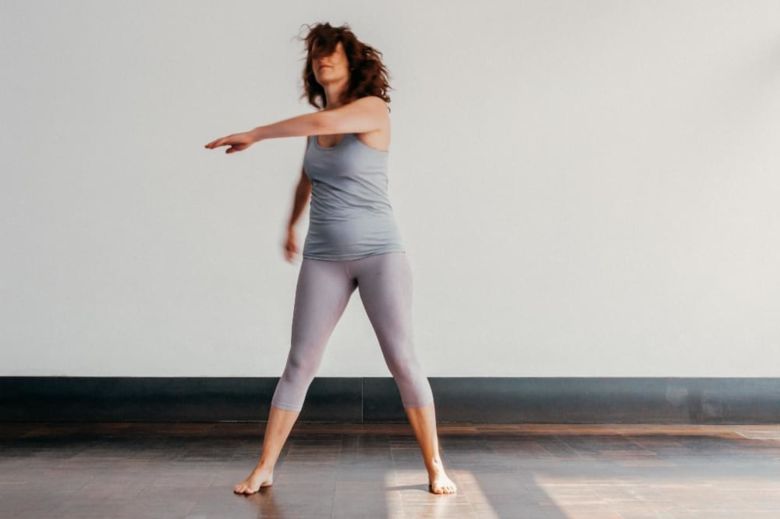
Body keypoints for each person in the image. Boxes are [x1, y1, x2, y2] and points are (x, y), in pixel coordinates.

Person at [204, 22, 457, 496]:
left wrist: (257, 133)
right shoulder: (313, 127)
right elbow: (307, 177)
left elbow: (323, 123)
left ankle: (436, 466)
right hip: (324, 256)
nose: (322, 59)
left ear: (350, 59)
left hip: (380, 253)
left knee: (402, 359)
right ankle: (264, 467)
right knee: (299, 362)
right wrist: (290, 225)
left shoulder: (372, 109)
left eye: (331, 52)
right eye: (316, 54)